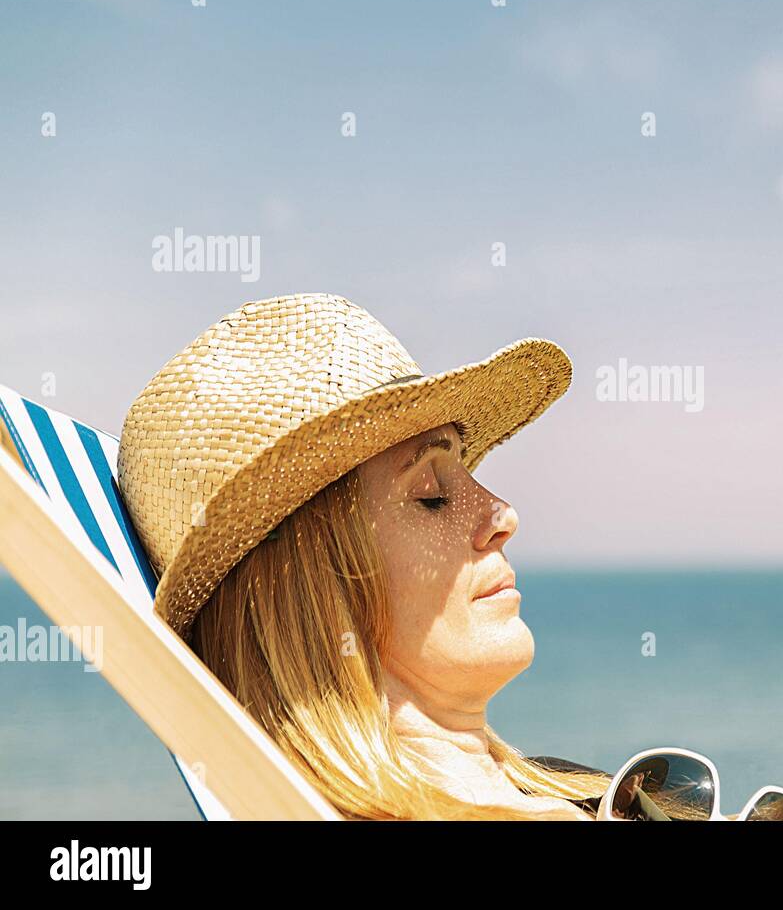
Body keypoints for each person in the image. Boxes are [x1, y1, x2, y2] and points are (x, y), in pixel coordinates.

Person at [116, 292, 608, 819]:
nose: (502, 514)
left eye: (467, 472)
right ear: (311, 590)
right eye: (431, 495)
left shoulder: (574, 791)